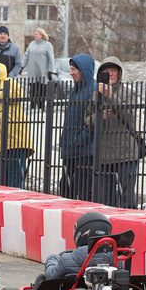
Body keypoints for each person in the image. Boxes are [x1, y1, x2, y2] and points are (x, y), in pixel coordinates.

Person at [87, 56, 144, 209]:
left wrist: (111, 96)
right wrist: (98, 116)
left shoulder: (129, 93)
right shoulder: (94, 95)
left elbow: (130, 116)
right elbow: (87, 121)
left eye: (113, 71)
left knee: (127, 198)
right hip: (104, 155)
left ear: (119, 73)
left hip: (126, 154)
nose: (110, 74)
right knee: (104, 199)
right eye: (106, 71)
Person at [59, 53, 97, 201]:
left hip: (84, 152)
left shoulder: (92, 89)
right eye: (70, 69)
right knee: (66, 191)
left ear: (84, 69)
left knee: (83, 193)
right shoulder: (76, 89)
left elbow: (93, 120)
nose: (71, 73)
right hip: (71, 150)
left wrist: (80, 139)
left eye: (74, 69)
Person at [43, 211, 114, 280]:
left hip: (78, 288)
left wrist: (52, 258)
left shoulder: (68, 259)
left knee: (41, 279)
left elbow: (51, 275)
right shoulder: (117, 260)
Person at [23, 27, 56, 109]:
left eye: (36, 34)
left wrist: (50, 70)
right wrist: (22, 66)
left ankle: (41, 106)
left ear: (41, 35)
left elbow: (51, 58)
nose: (34, 35)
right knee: (33, 90)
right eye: (34, 34)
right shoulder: (32, 44)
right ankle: (33, 106)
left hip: (42, 72)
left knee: (42, 89)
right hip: (32, 71)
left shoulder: (47, 45)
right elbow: (26, 56)